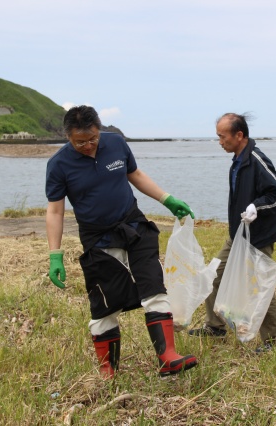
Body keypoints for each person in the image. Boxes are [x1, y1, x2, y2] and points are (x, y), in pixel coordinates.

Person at [45, 105, 198, 378]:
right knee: (105, 304)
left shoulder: (115, 143)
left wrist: (167, 199)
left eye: (93, 139)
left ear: (99, 129)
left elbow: (135, 175)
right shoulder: (58, 164)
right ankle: (108, 369)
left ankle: (167, 357)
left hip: (134, 225)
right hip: (98, 239)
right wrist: (55, 254)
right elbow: (55, 210)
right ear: (68, 136)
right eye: (80, 142)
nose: (89, 146)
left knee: (154, 285)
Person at [188, 113, 276, 352]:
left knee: (260, 286)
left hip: (259, 236)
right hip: (237, 235)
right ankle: (215, 327)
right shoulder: (237, 159)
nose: (220, 142)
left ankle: (272, 341)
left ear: (239, 135)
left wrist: (257, 206)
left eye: (222, 137)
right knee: (213, 275)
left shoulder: (256, 159)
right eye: (218, 137)